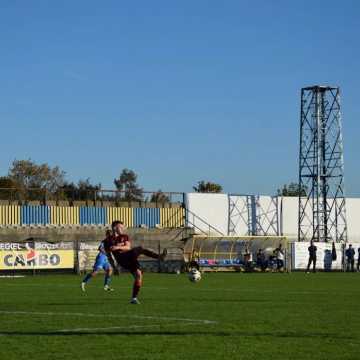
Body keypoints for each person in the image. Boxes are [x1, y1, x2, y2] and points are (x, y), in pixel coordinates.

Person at [104, 220, 167, 304]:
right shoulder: (107, 241)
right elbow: (109, 257)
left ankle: (134, 298)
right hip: (122, 259)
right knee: (140, 249)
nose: (122, 229)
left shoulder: (124, 236)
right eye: (121, 227)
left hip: (130, 257)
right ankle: (159, 257)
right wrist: (114, 268)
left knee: (138, 275)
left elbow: (128, 247)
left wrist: (117, 247)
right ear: (115, 227)